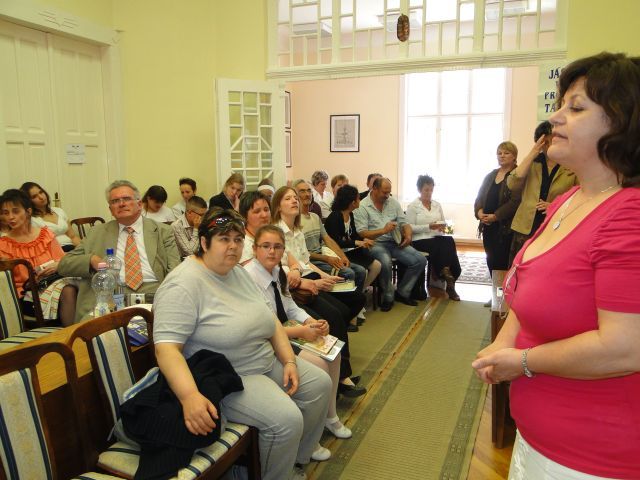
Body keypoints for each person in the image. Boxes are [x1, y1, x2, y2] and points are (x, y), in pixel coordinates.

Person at [472, 52, 640, 480]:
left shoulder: (629, 214)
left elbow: (625, 347)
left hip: (591, 457)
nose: (555, 117)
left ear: (622, 125)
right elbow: (526, 291)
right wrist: (502, 345)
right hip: (537, 442)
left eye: (576, 108)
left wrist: (523, 361)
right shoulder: (569, 200)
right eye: (561, 104)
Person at [153, 208, 332, 480]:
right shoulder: (182, 284)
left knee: (320, 385)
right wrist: (189, 396)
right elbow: (167, 349)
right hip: (229, 376)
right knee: (286, 419)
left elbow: (271, 321)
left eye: (238, 239)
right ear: (204, 243)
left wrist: (289, 360)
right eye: (224, 239)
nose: (233, 246)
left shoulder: (236, 272)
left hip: (264, 359)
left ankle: (293, 460)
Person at [244, 224, 352, 440]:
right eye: (265, 246)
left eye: (277, 247)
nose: (272, 252)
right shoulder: (248, 278)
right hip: (266, 340)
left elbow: (291, 306)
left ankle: (330, 416)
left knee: (333, 350)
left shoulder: (278, 272)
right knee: (320, 363)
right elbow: (265, 327)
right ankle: (311, 429)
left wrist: (312, 322)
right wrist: (302, 331)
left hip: (287, 329)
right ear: (255, 249)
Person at [272, 186, 366, 397]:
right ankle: (342, 377)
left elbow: (306, 261)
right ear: (278, 206)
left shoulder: (297, 230)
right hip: (298, 286)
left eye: (295, 198)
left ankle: (336, 358)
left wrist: (325, 276)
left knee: (355, 299)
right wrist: (314, 279)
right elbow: (284, 270)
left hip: (311, 276)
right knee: (336, 315)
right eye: (288, 199)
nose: (295, 201)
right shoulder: (276, 233)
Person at [58, 180, 180, 322]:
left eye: (127, 199)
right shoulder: (96, 233)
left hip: (154, 294)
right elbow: (64, 265)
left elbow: (175, 270)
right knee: (94, 331)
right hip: (110, 297)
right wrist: (91, 260)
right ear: (110, 209)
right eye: (115, 201)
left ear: (139, 204)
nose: (121, 204)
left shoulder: (163, 231)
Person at [294, 180, 368, 329]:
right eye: (302, 191)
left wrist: (342, 256)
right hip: (314, 261)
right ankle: (346, 315)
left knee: (360, 271)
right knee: (348, 273)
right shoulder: (295, 221)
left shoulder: (314, 217)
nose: (307, 194)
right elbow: (303, 255)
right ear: (295, 195)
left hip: (324, 256)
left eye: (309, 190)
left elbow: (328, 239)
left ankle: (352, 311)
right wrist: (327, 258)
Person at [0, 189, 77, 325]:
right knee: (69, 291)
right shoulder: (3, 245)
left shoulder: (45, 235)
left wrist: (56, 266)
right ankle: (72, 335)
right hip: (26, 295)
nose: (10, 217)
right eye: (5, 213)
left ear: (28, 211)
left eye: (15, 211)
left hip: (53, 282)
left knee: (83, 286)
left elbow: (61, 260)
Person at [507, 121, 578, 265]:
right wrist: (533, 152)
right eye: (545, 142)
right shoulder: (532, 163)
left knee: (547, 267)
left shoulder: (571, 166)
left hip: (556, 227)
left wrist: (555, 206)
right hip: (525, 228)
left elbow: (580, 196)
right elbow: (512, 184)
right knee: (519, 268)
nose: (550, 145)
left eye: (554, 140)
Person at [354, 178, 427, 311]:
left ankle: (402, 292)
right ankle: (388, 296)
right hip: (374, 244)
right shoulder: (363, 206)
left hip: (394, 242)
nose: (387, 195)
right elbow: (362, 233)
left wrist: (408, 235)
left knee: (420, 260)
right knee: (385, 260)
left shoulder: (393, 202)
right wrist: (383, 230)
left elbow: (404, 223)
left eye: (389, 192)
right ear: (374, 189)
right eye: (384, 192)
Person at [407, 175, 462, 301]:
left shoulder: (437, 205)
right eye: (426, 190)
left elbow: (442, 221)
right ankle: (448, 279)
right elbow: (409, 227)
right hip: (420, 239)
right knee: (442, 245)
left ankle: (445, 272)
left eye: (431, 190)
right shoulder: (413, 206)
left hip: (436, 237)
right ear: (419, 190)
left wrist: (441, 226)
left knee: (449, 240)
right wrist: (428, 226)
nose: (429, 193)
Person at [475, 142, 521, 279]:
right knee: (491, 260)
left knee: (503, 262)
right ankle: (495, 288)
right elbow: (480, 196)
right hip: (488, 226)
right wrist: (479, 212)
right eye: (499, 153)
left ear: (514, 156)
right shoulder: (491, 175)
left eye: (506, 153)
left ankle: (503, 290)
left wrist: (495, 216)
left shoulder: (517, 175)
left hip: (506, 229)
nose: (502, 156)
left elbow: (515, 202)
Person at [324, 184, 382, 293]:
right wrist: (356, 242)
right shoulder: (335, 217)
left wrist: (364, 240)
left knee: (377, 266)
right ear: (352, 202)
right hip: (338, 254)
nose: (360, 200)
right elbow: (336, 242)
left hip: (350, 251)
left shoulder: (350, 214)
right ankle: (357, 293)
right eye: (358, 198)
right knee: (361, 270)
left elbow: (354, 235)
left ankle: (360, 290)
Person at [20, 181, 81, 251]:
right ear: (28, 201)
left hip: (72, 249)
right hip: (54, 252)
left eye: (41, 192)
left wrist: (84, 248)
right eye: (34, 196)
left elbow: (73, 236)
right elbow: (37, 247)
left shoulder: (59, 211)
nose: (41, 197)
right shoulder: (31, 220)